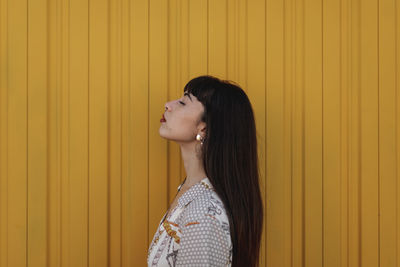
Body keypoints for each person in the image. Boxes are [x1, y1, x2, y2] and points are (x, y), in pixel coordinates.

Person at [147, 75, 264, 267]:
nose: (168, 104)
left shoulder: (202, 215)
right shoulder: (190, 191)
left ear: (204, 127)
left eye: (184, 102)